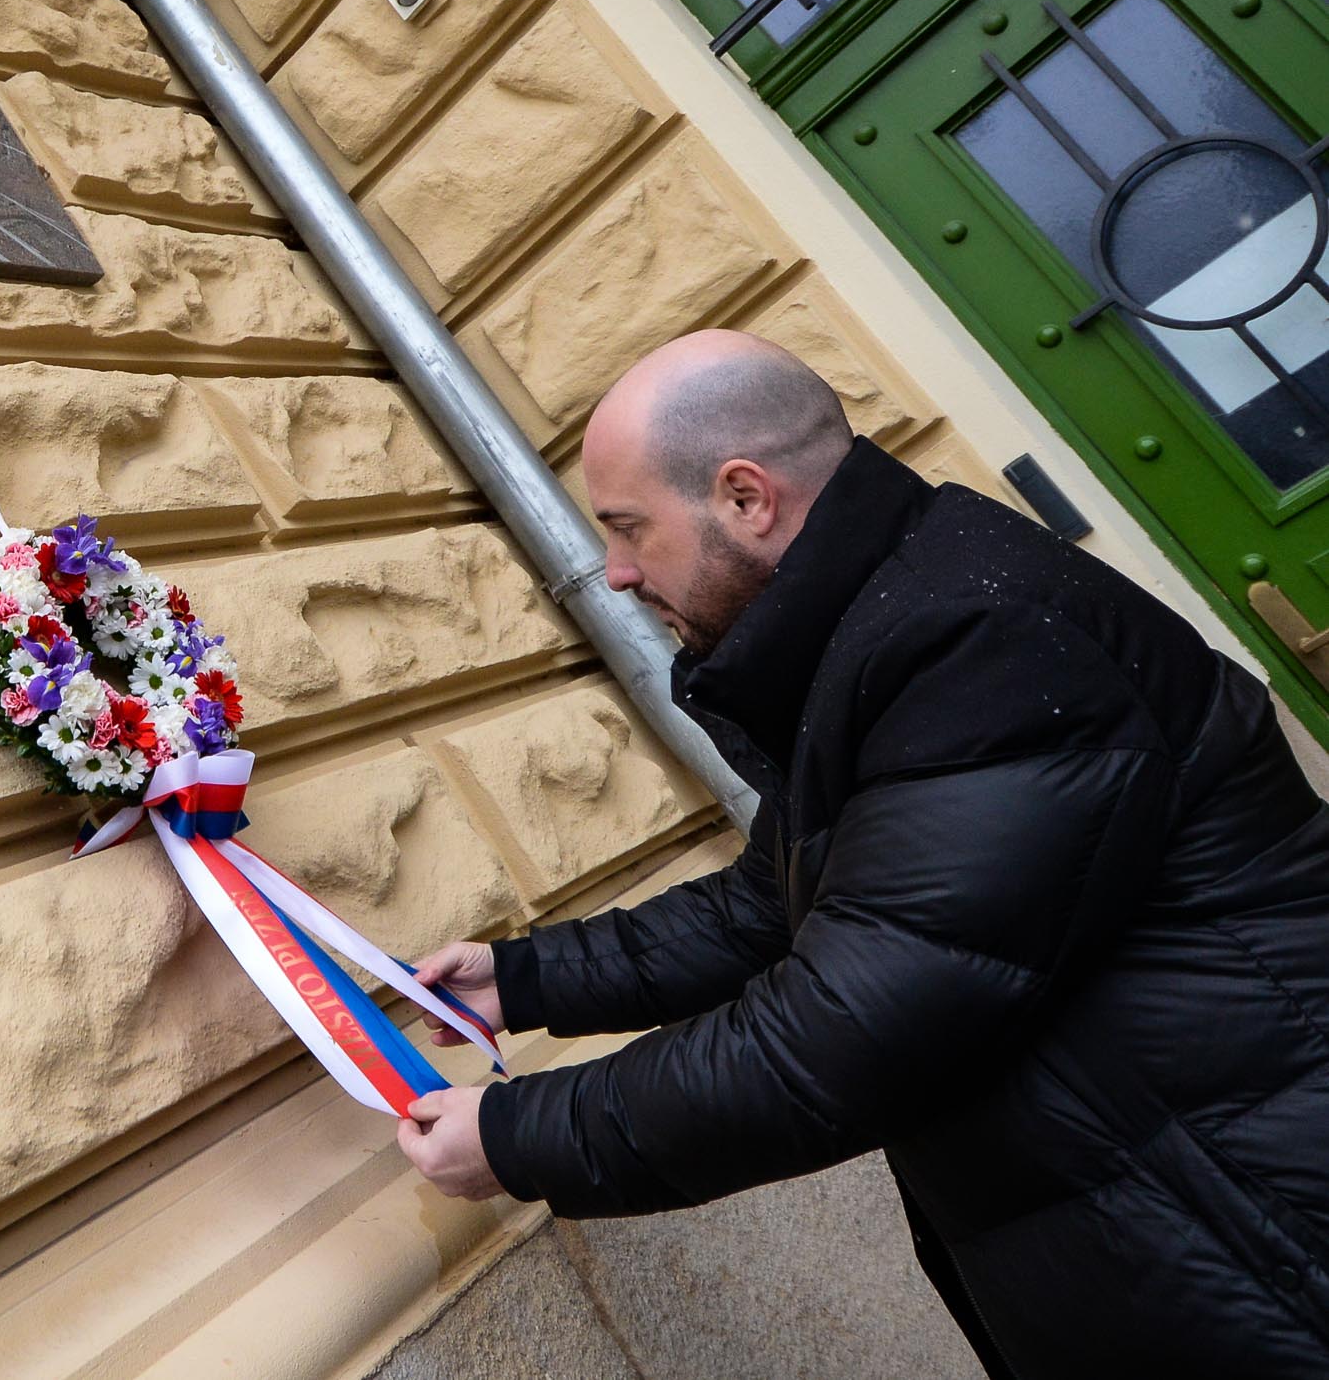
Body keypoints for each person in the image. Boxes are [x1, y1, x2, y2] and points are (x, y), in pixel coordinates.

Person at [393, 329, 1329, 1377]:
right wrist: (521, 977)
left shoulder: (977, 638)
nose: (613, 574)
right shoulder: (884, 624)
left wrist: (519, 1134)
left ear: (745, 497)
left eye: (628, 529)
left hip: (1259, 1236)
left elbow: (848, 1030)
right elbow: (771, 904)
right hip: (1179, 1227)